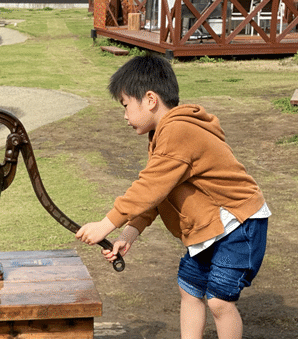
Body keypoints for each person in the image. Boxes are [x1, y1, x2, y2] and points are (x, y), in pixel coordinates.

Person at [75, 53, 270, 339]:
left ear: (151, 100)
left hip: (240, 222)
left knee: (219, 300)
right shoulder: (163, 135)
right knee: (189, 288)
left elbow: (149, 187)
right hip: (211, 226)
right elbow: (158, 194)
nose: (125, 116)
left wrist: (107, 223)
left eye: (126, 105)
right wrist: (129, 234)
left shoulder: (178, 131)